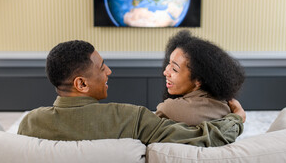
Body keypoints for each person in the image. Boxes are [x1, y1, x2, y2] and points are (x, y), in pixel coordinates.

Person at [18, 40, 244, 147]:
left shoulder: (29, 124)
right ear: (81, 84)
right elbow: (203, 137)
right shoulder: (131, 119)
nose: (109, 71)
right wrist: (236, 118)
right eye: (102, 67)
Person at [156, 30, 245, 126]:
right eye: (169, 63)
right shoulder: (226, 107)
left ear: (198, 80)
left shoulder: (168, 109)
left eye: (174, 69)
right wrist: (239, 113)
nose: (165, 72)